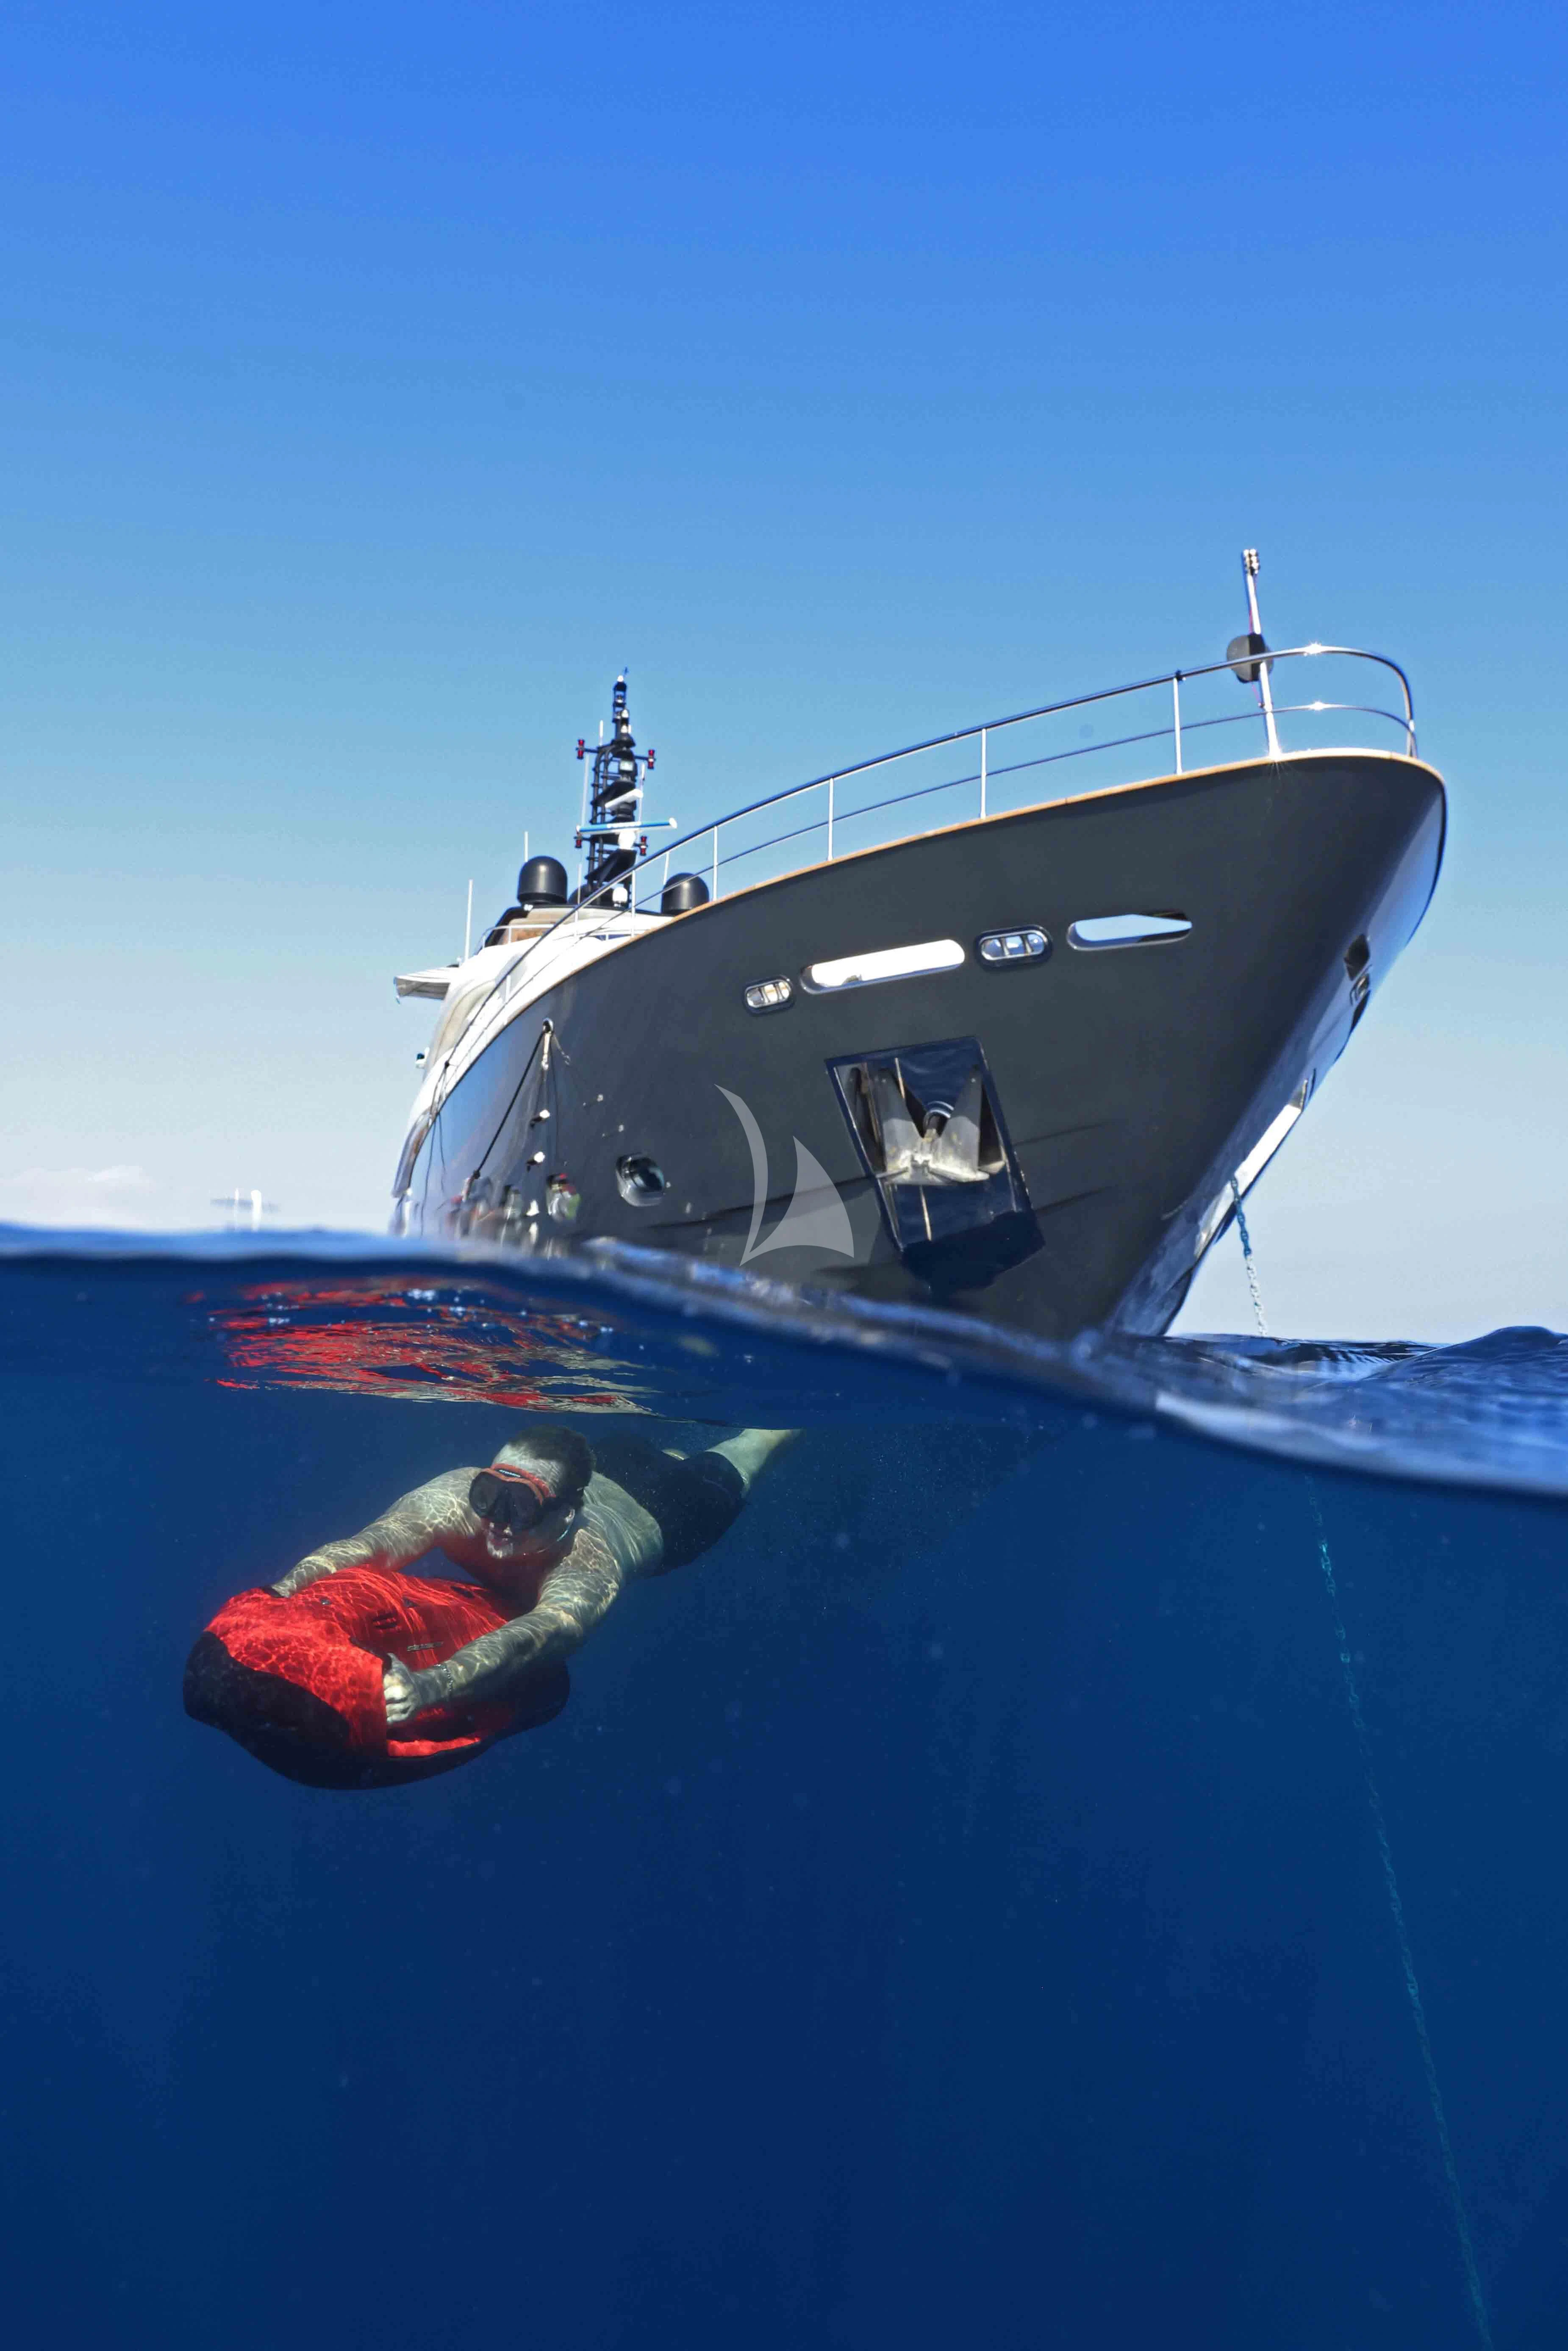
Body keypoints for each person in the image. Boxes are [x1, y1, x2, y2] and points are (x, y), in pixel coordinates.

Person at [268, 1421, 795, 1730]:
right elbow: (371, 1544)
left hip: (678, 1511)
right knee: (662, 1450)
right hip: (614, 1457)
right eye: (489, 1495)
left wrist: (431, 1686)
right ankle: (670, 1452)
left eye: (520, 1505)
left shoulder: (587, 1561)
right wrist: (284, 1591)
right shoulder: (453, 1498)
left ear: (565, 1515)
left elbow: (536, 1634)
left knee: (758, 1443)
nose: (496, 1520)